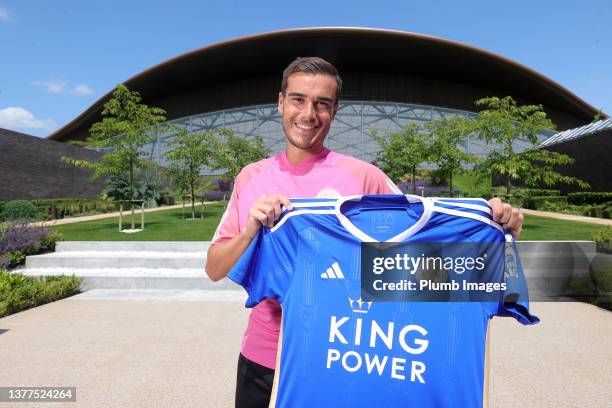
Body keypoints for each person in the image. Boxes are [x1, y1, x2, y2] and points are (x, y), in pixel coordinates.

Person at [205, 57, 524, 408]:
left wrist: (492, 232)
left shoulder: (363, 178)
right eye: (298, 99)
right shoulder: (251, 178)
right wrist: (250, 230)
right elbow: (215, 268)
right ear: (280, 102)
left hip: (341, 360)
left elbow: (419, 247)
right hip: (264, 357)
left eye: (321, 103)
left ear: (334, 110)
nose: (308, 113)